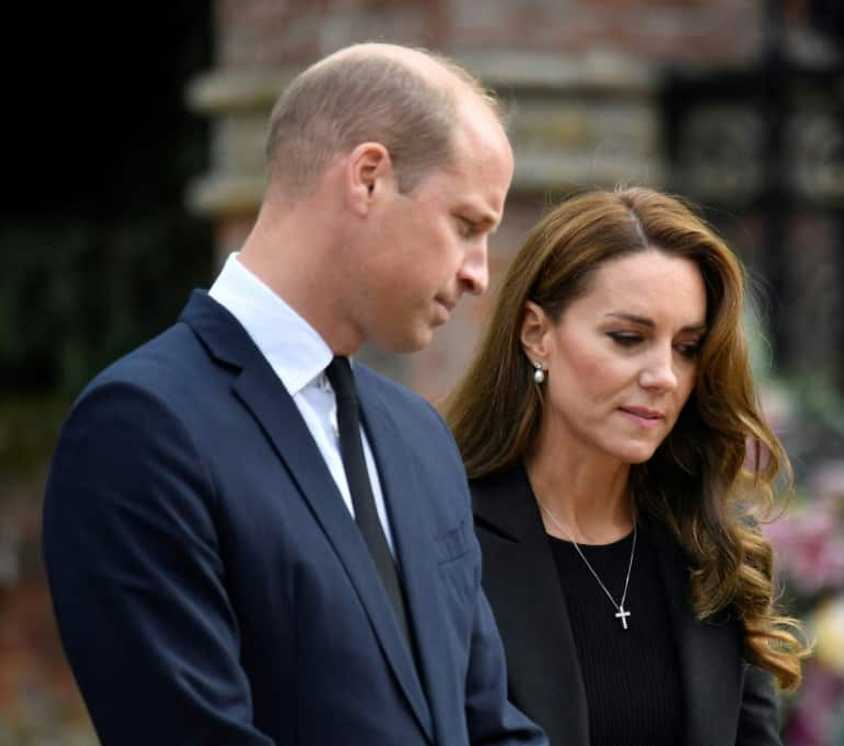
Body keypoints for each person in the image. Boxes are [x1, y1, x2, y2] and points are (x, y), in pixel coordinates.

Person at [42, 43, 546, 746]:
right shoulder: (141, 427)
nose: (478, 276)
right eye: (466, 226)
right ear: (369, 178)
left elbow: (490, 724)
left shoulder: (418, 436)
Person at [444, 187, 807, 746]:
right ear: (537, 334)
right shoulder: (447, 537)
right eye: (628, 338)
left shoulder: (709, 543)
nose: (663, 374)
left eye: (687, 347)